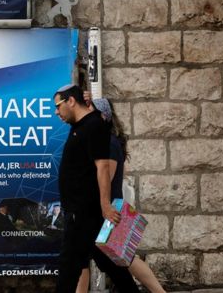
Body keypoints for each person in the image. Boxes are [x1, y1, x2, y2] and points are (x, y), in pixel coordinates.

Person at [53, 84, 140, 293]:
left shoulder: (94, 127)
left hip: (82, 213)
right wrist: (85, 98)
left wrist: (105, 206)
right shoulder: (81, 125)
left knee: (68, 269)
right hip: (82, 213)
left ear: (71, 102)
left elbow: (102, 167)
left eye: (58, 105)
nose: (56, 112)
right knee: (109, 265)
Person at [75, 98, 166, 293]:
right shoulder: (103, 140)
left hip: (108, 211)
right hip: (103, 210)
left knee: (126, 259)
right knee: (85, 260)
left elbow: (106, 178)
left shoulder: (108, 142)